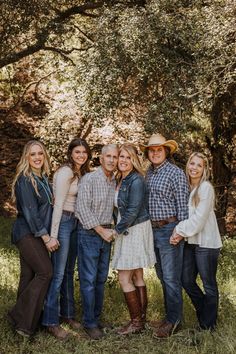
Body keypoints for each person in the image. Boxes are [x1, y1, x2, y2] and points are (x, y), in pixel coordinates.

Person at [140, 133, 189, 338]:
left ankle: (174, 321)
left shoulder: (175, 173)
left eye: (159, 149)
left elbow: (183, 206)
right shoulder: (148, 173)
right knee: (161, 276)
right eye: (152, 150)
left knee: (170, 278)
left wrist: (180, 231)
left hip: (170, 230)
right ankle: (171, 316)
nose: (155, 153)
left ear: (166, 151)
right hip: (152, 230)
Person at [8, 140, 59, 337]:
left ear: (44, 156)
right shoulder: (25, 179)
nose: (37, 157)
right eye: (32, 154)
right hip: (28, 233)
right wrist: (46, 238)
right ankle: (21, 318)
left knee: (28, 276)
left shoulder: (44, 178)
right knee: (45, 272)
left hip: (36, 232)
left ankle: (22, 320)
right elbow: (30, 213)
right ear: (26, 158)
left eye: (40, 153)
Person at [42, 138, 91, 340]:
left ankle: (68, 315)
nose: (81, 155)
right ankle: (50, 321)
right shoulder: (65, 172)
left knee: (70, 270)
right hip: (62, 222)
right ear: (70, 153)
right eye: (77, 152)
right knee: (59, 272)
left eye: (84, 152)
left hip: (75, 223)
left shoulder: (81, 172)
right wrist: (52, 236)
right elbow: (58, 204)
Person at [170, 152, 222, 330]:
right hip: (190, 242)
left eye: (199, 165)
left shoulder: (205, 188)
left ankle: (208, 326)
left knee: (209, 285)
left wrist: (178, 230)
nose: (194, 168)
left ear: (204, 169)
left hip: (206, 243)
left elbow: (198, 220)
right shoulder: (186, 187)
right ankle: (205, 313)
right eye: (192, 163)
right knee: (186, 280)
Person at [111, 144, 156, 335]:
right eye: (121, 156)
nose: (123, 160)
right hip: (129, 227)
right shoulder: (120, 179)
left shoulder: (136, 180)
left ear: (134, 160)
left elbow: (132, 211)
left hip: (133, 228)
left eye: (128, 157)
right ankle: (141, 321)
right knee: (137, 274)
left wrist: (116, 231)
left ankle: (136, 323)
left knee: (124, 277)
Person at [75, 144, 118, 340]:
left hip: (106, 235)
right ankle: (89, 322)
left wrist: (110, 231)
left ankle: (96, 318)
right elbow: (82, 209)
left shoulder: (115, 181)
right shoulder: (89, 179)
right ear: (100, 159)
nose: (111, 160)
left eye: (115, 157)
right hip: (90, 234)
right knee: (89, 281)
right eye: (107, 156)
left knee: (101, 279)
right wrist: (101, 231)